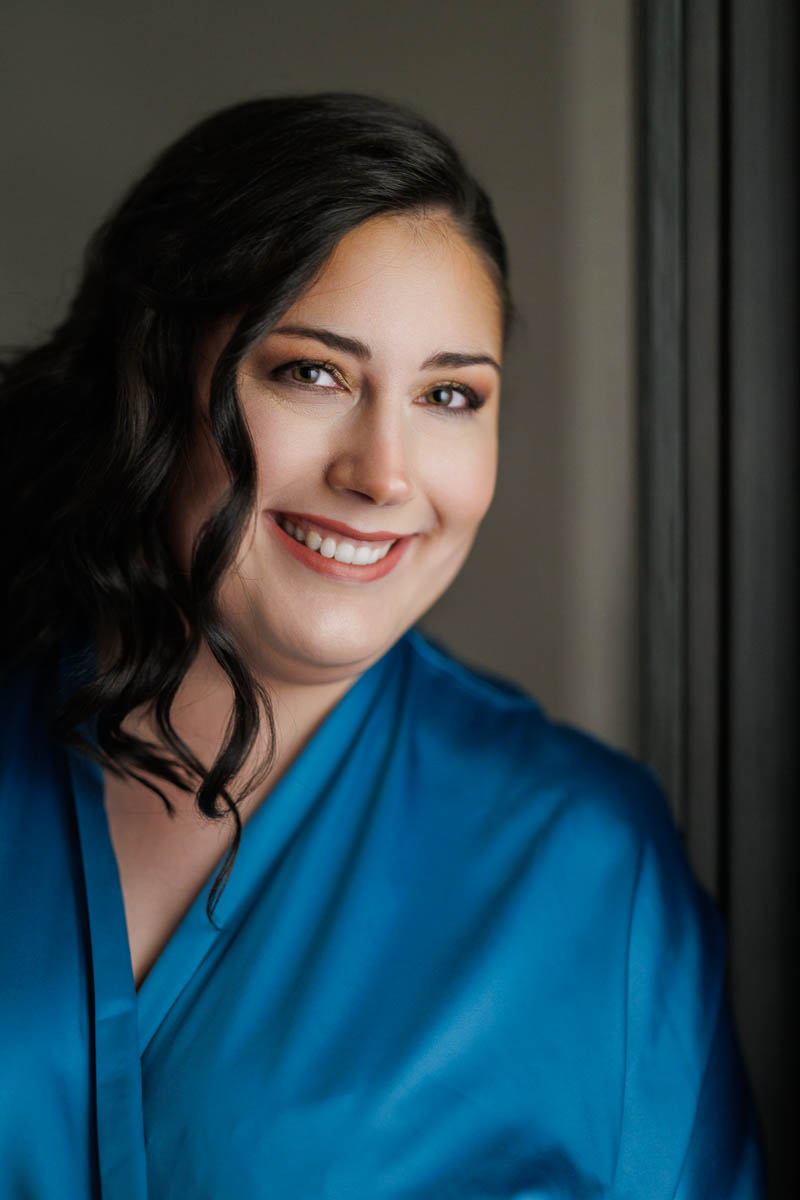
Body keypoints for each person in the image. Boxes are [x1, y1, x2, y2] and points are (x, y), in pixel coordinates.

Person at [0, 93, 764, 1198]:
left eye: (450, 395)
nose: (384, 472)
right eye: (310, 372)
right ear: (154, 378)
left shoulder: (586, 866)